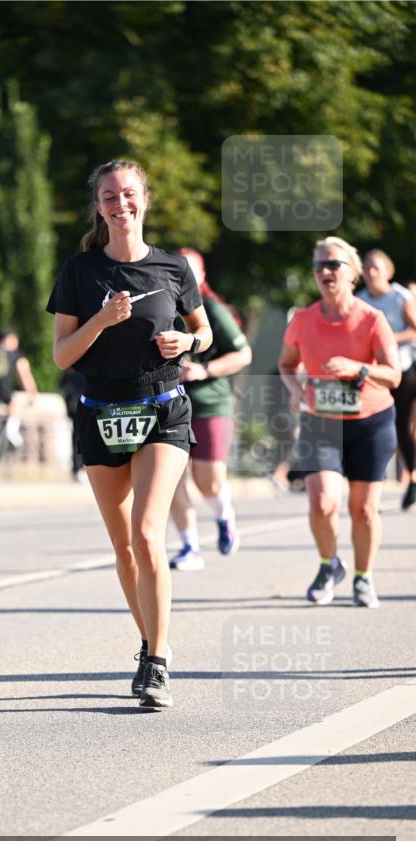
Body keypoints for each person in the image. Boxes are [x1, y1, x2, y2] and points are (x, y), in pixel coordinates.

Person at [47, 159, 212, 708]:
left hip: (162, 408)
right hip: (101, 411)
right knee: (123, 546)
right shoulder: (79, 271)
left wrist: (187, 344)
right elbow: (62, 355)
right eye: (109, 196)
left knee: (146, 533)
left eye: (129, 194)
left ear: (145, 199)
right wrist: (101, 320)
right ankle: (147, 643)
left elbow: (203, 331)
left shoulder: (173, 267)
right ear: (98, 207)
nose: (121, 204)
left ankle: (158, 662)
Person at [278, 236, 401, 608]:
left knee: (363, 509)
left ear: (353, 273)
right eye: (319, 266)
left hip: (371, 421)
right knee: (322, 503)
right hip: (321, 421)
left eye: (333, 264)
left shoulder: (372, 319)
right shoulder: (303, 320)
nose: (325, 272)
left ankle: (363, 577)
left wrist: (356, 367)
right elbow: (287, 364)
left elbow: (393, 375)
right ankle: (328, 564)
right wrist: (295, 390)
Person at [169, 249, 252, 569]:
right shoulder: (161, 305)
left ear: (202, 276)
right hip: (169, 404)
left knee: (208, 480)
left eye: (190, 271)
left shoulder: (212, 309)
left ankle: (224, 516)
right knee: (170, 479)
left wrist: (204, 370)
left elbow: (243, 355)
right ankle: (190, 547)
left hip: (209, 404)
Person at [356, 249, 416, 510]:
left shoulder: (400, 297)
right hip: (371, 373)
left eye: (376, 268)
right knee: (374, 428)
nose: (371, 273)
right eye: (366, 268)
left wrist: (389, 339)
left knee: (400, 427)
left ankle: (412, 477)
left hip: (402, 369)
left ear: (388, 272)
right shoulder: (359, 300)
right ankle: (372, 488)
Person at [0, 329, 38, 448]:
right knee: (12, 404)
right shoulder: (14, 353)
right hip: (1, 382)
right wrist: (32, 393)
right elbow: (24, 374)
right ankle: (11, 432)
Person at [60, 366, 86, 481]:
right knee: (78, 437)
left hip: (83, 405)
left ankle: (80, 467)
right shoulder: (72, 370)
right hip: (77, 406)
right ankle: (78, 467)